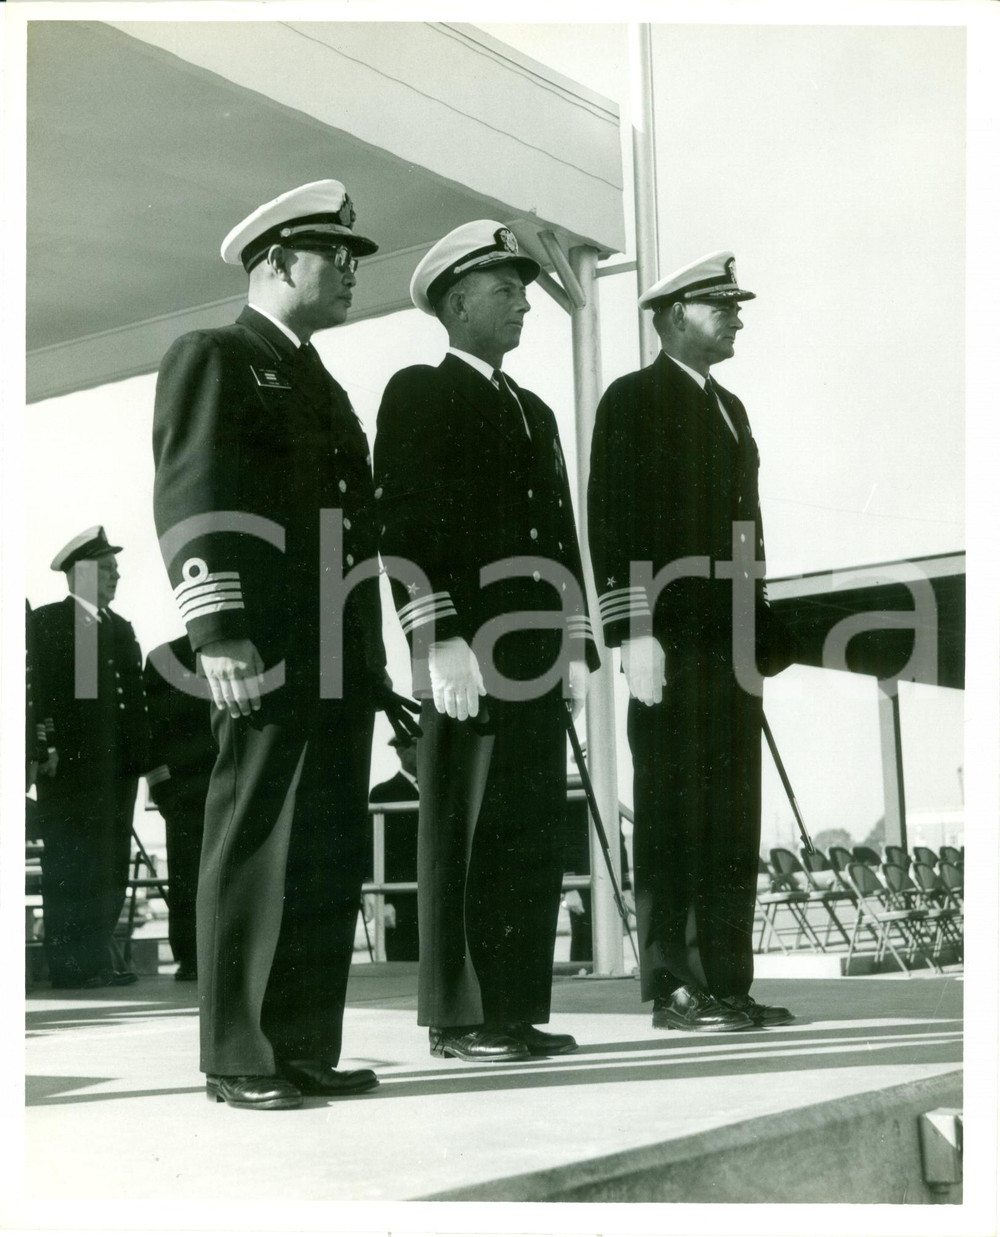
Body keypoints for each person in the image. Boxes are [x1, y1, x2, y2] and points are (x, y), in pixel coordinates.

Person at [153, 179, 415, 1111]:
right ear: (276, 262)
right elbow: (190, 499)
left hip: (338, 659)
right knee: (256, 842)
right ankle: (237, 1053)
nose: (349, 273)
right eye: (335, 258)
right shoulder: (217, 355)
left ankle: (301, 1042)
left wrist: (375, 668)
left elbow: (356, 535)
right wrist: (215, 631)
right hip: (259, 648)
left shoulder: (317, 380)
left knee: (326, 849)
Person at [374, 220, 600, 1062]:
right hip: (467, 655)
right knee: (465, 833)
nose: (523, 307)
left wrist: (576, 644)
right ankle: (458, 1017)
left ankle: (509, 1006)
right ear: (458, 301)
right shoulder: (419, 393)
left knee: (527, 829)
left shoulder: (532, 410)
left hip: (537, 651)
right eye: (507, 291)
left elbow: (560, 536)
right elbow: (400, 529)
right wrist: (440, 639)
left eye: (524, 292)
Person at [588, 251, 796, 1032]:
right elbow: (612, 520)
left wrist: (760, 618)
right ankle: (676, 984)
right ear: (675, 316)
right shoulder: (633, 400)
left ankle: (727, 981)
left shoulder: (731, 408)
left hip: (731, 637)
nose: (737, 316)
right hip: (669, 635)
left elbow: (749, 526)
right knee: (675, 809)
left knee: (733, 809)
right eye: (722, 305)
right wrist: (632, 630)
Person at [31, 527, 148, 989]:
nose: (116, 577)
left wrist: (140, 758)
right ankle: (69, 965)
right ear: (80, 575)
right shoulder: (49, 624)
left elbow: (132, 701)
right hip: (72, 771)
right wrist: (48, 746)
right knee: (71, 864)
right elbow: (40, 695)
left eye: (116, 569)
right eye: (107, 570)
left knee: (109, 863)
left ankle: (96, 958)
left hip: (117, 771)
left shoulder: (118, 628)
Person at [142, 637, 215, 981]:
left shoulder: (250, 649)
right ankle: (191, 957)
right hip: (185, 792)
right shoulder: (163, 659)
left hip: (237, 785)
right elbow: (151, 733)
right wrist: (162, 788)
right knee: (187, 875)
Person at [367, 735, 420, 962]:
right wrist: (382, 900)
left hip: (436, 896)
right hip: (400, 901)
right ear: (401, 751)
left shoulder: (441, 788)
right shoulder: (383, 794)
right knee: (403, 966)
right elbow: (372, 849)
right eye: (418, 745)